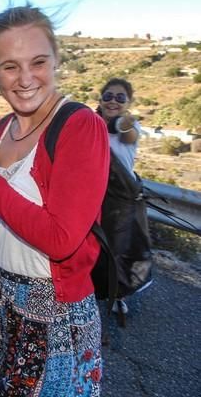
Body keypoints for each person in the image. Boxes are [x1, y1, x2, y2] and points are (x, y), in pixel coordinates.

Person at [0, 4, 109, 395]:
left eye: (38, 62)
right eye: (10, 66)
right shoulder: (2, 129)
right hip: (1, 285)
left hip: (54, 306)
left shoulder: (80, 126)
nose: (25, 78)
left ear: (56, 60)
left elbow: (61, 238)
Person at [96, 78, 152, 317]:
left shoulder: (129, 126)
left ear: (128, 102)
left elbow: (126, 133)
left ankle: (118, 295)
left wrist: (125, 121)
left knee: (118, 249)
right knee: (93, 246)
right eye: (108, 96)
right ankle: (88, 292)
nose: (113, 101)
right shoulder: (91, 123)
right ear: (100, 98)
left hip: (120, 199)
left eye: (120, 98)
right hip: (95, 194)